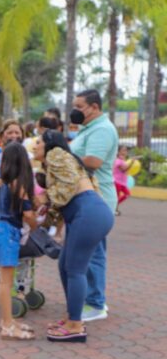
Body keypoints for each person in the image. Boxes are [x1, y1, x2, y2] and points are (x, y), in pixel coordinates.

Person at [34, 130, 113, 342]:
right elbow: (63, 197)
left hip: (88, 213)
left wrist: (45, 197)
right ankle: (72, 317)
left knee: (75, 269)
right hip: (89, 212)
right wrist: (46, 213)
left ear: (49, 144)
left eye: (38, 142)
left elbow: (67, 185)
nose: (35, 146)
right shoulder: (58, 160)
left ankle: (76, 326)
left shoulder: (56, 153)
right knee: (65, 265)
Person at [68, 89, 118, 322]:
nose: (75, 111)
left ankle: (96, 303)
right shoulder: (88, 129)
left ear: (94, 107)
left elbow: (93, 162)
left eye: (79, 106)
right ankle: (88, 298)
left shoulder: (102, 130)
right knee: (85, 253)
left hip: (97, 199)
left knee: (93, 254)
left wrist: (61, 156)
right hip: (83, 200)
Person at [0, 142, 37, 340]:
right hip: (8, 232)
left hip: (3, 230)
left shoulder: (6, 183)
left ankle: (8, 321)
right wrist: (35, 224)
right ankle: (8, 325)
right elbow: (28, 214)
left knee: (6, 281)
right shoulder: (18, 184)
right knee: (6, 282)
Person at [113, 145, 132, 215]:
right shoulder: (118, 160)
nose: (125, 152)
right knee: (119, 196)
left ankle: (114, 207)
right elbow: (123, 170)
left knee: (127, 194)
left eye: (126, 150)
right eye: (123, 150)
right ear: (118, 152)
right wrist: (132, 163)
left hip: (122, 182)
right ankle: (114, 208)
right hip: (117, 181)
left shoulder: (122, 160)